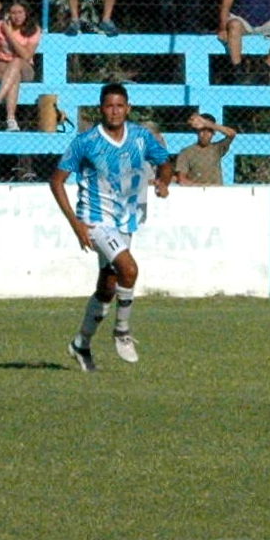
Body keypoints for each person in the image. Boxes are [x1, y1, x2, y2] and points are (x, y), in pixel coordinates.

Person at [50, 83, 173, 372]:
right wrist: (76, 224)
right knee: (129, 270)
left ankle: (81, 343)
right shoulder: (86, 141)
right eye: (109, 106)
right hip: (94, 219)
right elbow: (56, 181)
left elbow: (165, 162)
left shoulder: (141, 137)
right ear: (101, 109)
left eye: (119, 106)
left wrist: (164, 181)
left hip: (125, 219)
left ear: (128, 108)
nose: (115, 111)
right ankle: (122, 331)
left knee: (108, 287)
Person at [0, 0, 40, 130]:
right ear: (7, 14)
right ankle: (11, 120)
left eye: (20, 12)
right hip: (2, 66)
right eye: (13, 13)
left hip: (25, 67)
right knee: (14, 75)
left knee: (16, 62)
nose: (17, 16)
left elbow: (26, 56)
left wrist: (8, 33)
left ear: (26, 13)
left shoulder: (34, 29)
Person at [173, 113, 237, 185]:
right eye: (202, 130)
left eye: (209, 130)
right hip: (196, 190)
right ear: (197, 131)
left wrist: (207, 123)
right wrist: (203, 188)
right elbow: (182, 180)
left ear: (213, 133)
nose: (205, 134)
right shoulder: (186, 152)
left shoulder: (217, 148)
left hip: (217, 190)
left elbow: (232, 134)